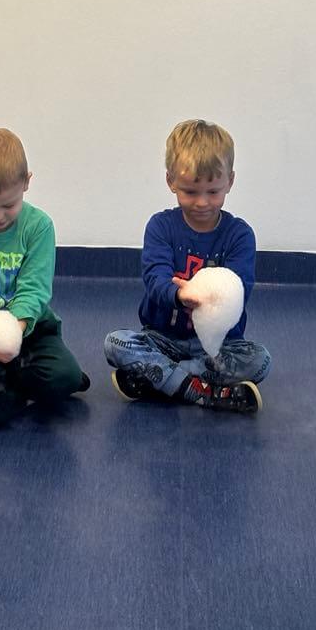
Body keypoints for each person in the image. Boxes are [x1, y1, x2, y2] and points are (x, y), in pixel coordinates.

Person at [104, 119, 271, 414]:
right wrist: (180, 295)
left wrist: (212, 300)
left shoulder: (239, 235)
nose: (202, 202)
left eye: (213, 192)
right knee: (116, 343)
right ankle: (201, 391)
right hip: (163, 339)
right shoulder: (161, 227)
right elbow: (155, 279)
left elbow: (241, 289)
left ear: (230, 181)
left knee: (260, 360)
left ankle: (162, 378)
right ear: (171, 181)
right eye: (191, 192)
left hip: (218, 346)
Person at [0, 128, 89, 430]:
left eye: (8, 205)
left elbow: (34, 290)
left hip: (30, 332)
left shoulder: (39, 226)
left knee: (67, 379)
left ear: (26, 182)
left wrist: (11, 335)